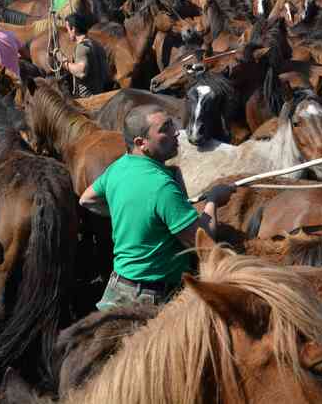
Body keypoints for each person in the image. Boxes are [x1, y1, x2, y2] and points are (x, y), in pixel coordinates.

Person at [79, 104, 235, 310]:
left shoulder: (118, 167)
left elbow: (86, 199)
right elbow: (203, 245)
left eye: (172, 124)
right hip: (153, 298)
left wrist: (129, 213)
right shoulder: (162, 187)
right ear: (141, 143)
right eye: (165, 129)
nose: (176, 132)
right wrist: (213, 200)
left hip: (118, 288)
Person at [55, 13, 110, 97]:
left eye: (68, 30)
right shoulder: (97, 45)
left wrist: (63, 62)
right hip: (102, 95)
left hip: (87, 100)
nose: (68, 33)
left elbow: (81, 72)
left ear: (73, 29)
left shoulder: (82, 48)